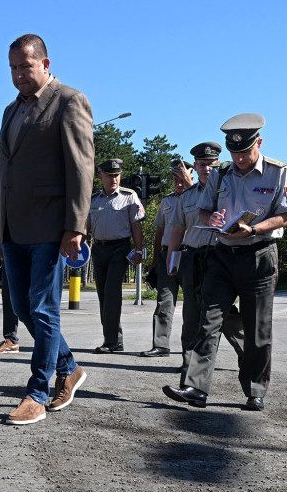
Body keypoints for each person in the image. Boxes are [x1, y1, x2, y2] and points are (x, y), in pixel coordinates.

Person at [0, 33, 93, 425]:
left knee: (44, 310)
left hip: (52, 226)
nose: (18, 75)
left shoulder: (68, 101)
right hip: (15, 227)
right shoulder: (10, 111)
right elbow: (3, 174)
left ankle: (37, 392)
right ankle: (69, 366)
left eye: (25, 67)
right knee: (22, 307)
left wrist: (75, 226)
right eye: (13, 68)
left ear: (45, 64)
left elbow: (81, 168)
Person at [166, 114, 287, 411]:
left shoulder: (278, 172)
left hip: (259, 257)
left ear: (259, 143)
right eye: (234, 152)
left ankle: (255, 391)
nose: (239, 158)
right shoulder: (221, 173)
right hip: (222, 256)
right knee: (207, 321)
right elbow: (202, 210)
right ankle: (196, 388)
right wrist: (210, 217)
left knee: (256, 329)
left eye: (245, 152)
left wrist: (253, 229)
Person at [164, 143, 246, 387]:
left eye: (212, 164)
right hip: (193, 258)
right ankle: (189, 373)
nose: (208, 169)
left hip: (221, 257)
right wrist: (172, 259)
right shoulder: (187, 197)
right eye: (202, 165)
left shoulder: (231, 188)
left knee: (222, 314)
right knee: (192, 315)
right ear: (195, 167)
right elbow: (177, 229)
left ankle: (248, 356)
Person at [88, 158, 145, 353]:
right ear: (101, 176)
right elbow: (85, 228)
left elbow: (136, 225)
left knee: (112, 293)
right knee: (103, 295)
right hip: (99, 249)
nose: (114, 179)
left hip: (120, 249)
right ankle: (114, 339)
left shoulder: (129, 196)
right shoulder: (93, 200)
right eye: (110, 175)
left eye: (117, 175)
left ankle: (110, 342)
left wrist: (138, 250)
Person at [139, 158, 191, 358]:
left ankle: (191, 351)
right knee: (164, 301)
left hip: (189, 254)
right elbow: (160, 231)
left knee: (193, 305)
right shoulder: (167, 201)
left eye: (182, 178)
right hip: (167, 254)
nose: (179, 183)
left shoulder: (199, 197)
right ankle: (160, 345)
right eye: (175, 179)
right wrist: (154, 260)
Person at [0, 257, 21, 354]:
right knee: (9, 297)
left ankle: (49, 342)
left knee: (39, 300)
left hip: (40, 247)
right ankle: (11, 340)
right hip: (12, 249)